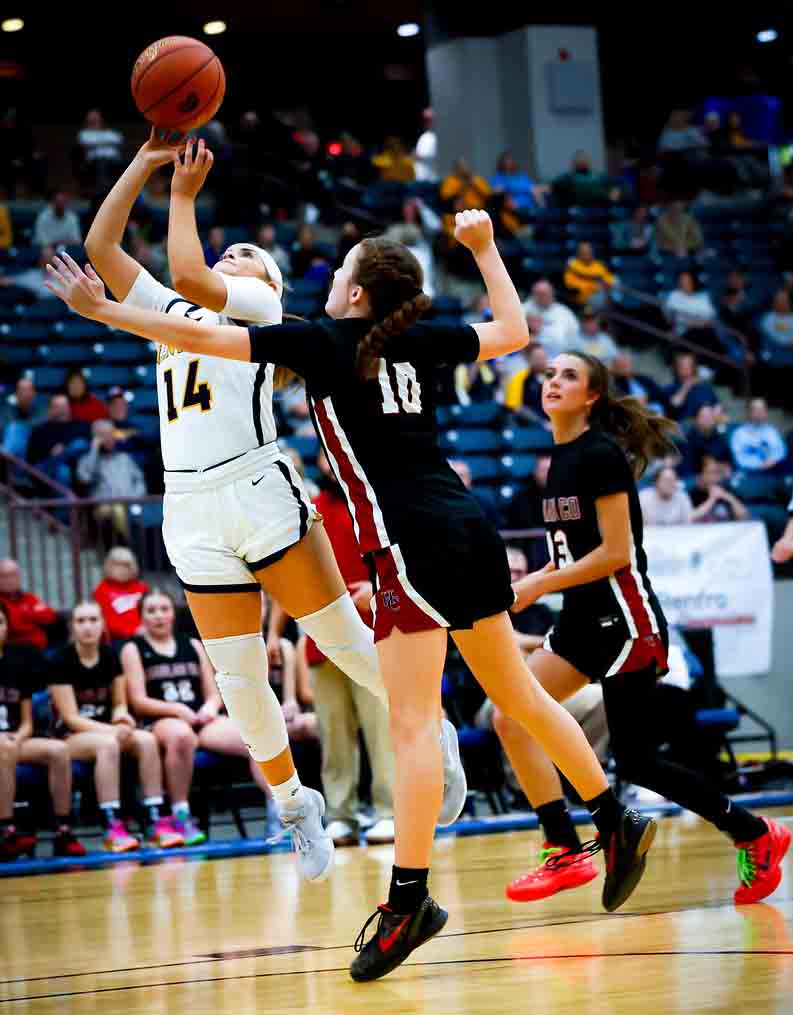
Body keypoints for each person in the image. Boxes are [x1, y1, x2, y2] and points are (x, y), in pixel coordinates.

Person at [47, 208, 662, 980]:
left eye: (339, 272)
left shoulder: (321, 340)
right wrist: (484, 248)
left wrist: (101, 309)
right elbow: (510, 327)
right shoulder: (417, 339)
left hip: (410, 542)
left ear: (357, 295)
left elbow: (203, 335)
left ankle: (408, 901)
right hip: (467, 529)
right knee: (522, 698)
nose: (328, 280)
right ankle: (612, 816)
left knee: (409, 728)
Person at [76, 132, 467, 879]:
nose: (235, 257)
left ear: (270, 280)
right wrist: (146, 160)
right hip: (187, 504)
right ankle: (294, 803)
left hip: (255, 484)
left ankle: (434, 730)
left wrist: (184, 197)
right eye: (232, 253)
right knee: (238, 678)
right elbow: (101, 241)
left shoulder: (259, 304)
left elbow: (188, 266)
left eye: (249, 253)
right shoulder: (168, 303)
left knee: (347, 642)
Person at [493, 351, 788, 908]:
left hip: (625, 621)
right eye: (550, 374)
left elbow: (615, 553)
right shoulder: (559, 458)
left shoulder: (600, 456)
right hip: (582, 620)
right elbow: (568, 555)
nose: (553, 382)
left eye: (569, 376)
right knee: (511, 717)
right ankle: (562, 848)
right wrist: (527, 584)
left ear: (593, 396)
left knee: (637, 762)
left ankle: (755, 832)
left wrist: (538, 588)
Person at [280, 450, 395, 848]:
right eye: (325, 461)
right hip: (322, 639)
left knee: (381, 732)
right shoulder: (310, 511)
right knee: (335, 736)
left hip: (373, 633)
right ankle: (342, 816)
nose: (330, 466)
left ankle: (388, 812)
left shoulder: (373, 502)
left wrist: (376, 592)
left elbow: (396, 562)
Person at [123, 588, 279, 843]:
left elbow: (214, 691)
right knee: (182, 736)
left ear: (173, 614)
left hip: (199, 718)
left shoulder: (192, 644)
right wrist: (177, 710)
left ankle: (280, 809)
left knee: (254, 735)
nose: (159, 616)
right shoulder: (133, 648)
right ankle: (181, 816)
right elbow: (138, 701)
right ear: (141, 617)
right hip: (161, 720)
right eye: (151, 611)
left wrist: (210, 707)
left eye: (164, 609)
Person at [48, 601, 183, 852]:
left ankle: (155, 819)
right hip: (72, 737)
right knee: (108, 744)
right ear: (72, 627)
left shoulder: (110, 656)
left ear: (103, 624)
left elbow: (120, 702)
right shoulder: (60, 661)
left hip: (110, 730)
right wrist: (114, 730)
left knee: (146, 740)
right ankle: (112, 826)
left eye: (93, 620)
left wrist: (122, 718)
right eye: (81, 621)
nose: (88, 627)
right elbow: (71, 718)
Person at [0, 603, 87, 861]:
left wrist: (19, 736)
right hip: (3, 745)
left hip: (14, 739)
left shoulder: (16, 664)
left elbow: (26, 719)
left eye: (1, 622)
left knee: (58, 750)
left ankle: (63, 829)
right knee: (4, 748)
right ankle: (7, 832)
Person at [77, 419, 146, 542]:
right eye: (104, 435)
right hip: (104, 508)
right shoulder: (87, 460)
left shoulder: (124, 458)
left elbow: (139, 480)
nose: (110, 438)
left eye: (111, 434)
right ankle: (133, 546)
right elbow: (85, 478)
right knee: (118, 510)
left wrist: (136, 496)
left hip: (130, 504)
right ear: (96, 439)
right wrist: (94, 450)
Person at [93, 547, 148, 643]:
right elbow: (107, 621)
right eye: (117, 565)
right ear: (108, 567)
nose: (122, 570)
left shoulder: (142, 588)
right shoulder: (101, 590)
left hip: (145, 635)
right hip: (118, 640)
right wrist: (132, 632)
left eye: (126, 566)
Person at [0, 558, 56, 651]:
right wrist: (32, 614)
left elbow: (49, 616)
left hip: (39, 649)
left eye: (14, 575)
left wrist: (24, 616)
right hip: (11, 651)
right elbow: (14, 625)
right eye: (5, 576)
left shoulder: (29, 597)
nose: (10, 580)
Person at [520, 281, 579, 359]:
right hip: (528, 361)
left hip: (559, 358)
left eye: (544, 294)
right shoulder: (523, 310)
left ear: (552, 293)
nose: (540, 297)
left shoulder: (564, 313)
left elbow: (574, 338)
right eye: (537, 293)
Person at [729, 398, 787, 473]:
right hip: (749, 474)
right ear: (749, 412)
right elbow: (738, 458)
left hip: (773, 471)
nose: (759, 412)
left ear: (766, 412)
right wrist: (759, 465)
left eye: (762, 409)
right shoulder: (739, 433)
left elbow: (781, 451)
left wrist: (772, 461)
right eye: (756, 409)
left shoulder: (772, 431)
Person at [690, 456, 749, 522]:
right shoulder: (693, 494)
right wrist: (712, 499)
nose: (715, 477)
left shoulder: (728, 490)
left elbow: (744, 517)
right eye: (710, 473)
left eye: (717, 472)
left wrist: (729, 498)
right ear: (700, 476)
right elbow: (690, 518)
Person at [663, 351, 718, 422]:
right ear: (676, 368)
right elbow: (673, 407)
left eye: (689, 364)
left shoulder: (705, 388)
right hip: (684, 425)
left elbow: (717, 407)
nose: (687, 368)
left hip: (707, 424)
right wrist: (686, 387)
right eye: (682, 365)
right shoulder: (670, 389)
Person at [680, 403, 732, 476]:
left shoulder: (721, 437)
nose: (707, 419)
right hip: (697, 478)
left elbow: (728, 463)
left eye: (710, 416)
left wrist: (723, 467)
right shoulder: (688, 441)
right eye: (703, 416)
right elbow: (687, 468)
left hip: (720, 478)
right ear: (696, 420)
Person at [503, 343, 549, 424]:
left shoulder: (552, 378)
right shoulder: (519, 378)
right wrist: (541, 422)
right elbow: (516, 407)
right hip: (527, 425)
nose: (541, 361)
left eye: (543, 358)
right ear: (528, 359)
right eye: (537, 358)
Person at [563, 242, 615, 309]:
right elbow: (570, 285)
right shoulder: (573, 266)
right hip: (584, 298)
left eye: (589, 251)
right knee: (603, 299)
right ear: (578, 253)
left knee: (616, 285)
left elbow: (610, 279)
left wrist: (607, 285)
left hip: (604, 293)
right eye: (584, 252)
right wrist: (595, 287)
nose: (587, 254)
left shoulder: (598, 265)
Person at [413, 108, 437, 183]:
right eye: (425, 120)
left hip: (429, 180)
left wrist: (416, 156)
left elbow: (431, 156)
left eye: (428, 120)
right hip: (419, 178)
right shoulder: (423, 137)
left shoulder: (434, 137)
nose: (426, 122)